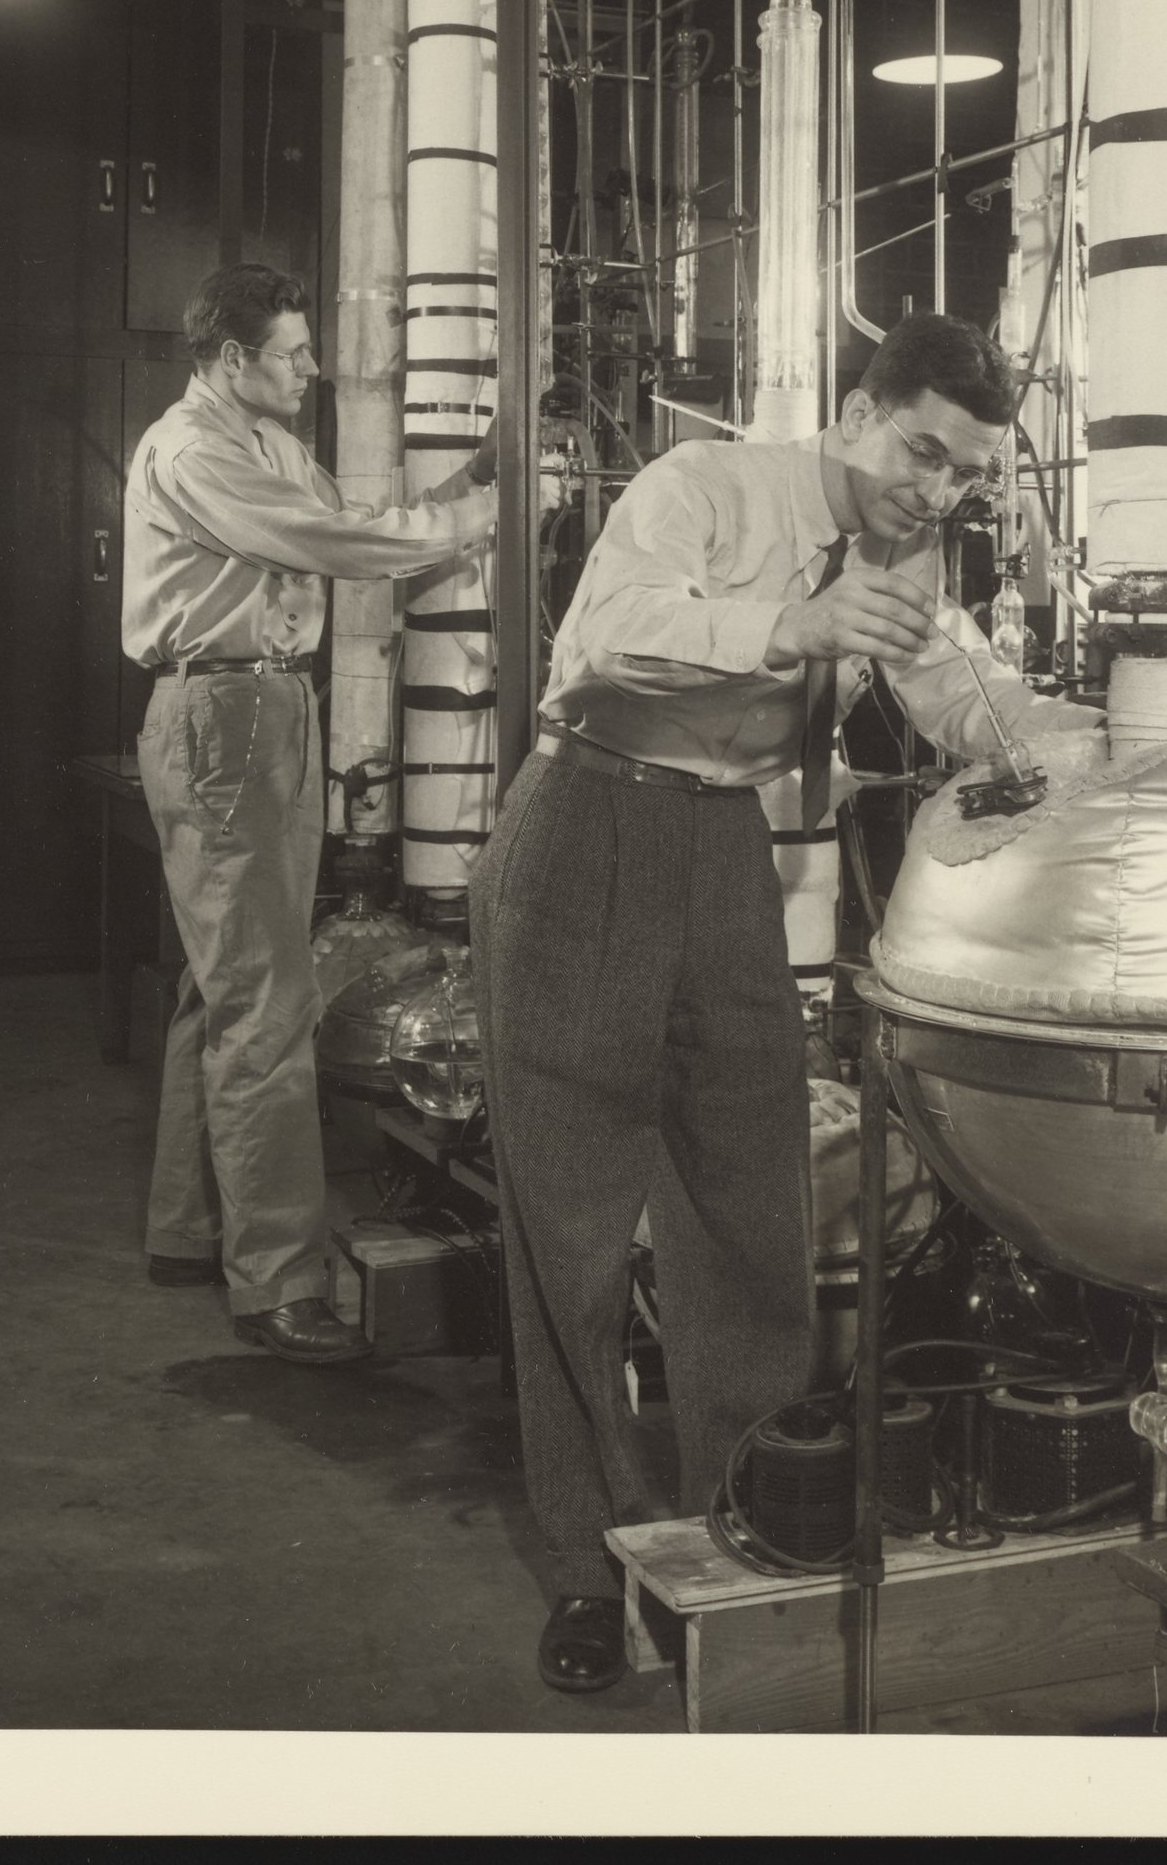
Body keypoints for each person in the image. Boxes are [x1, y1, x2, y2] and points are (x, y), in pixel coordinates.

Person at [469, 310, 1101, 1691]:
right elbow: (609, 633)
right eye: (922, 453)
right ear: (859, 413)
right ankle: (587, 1562)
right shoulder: (703, 486)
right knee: (571, 1228)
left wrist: (1123, 747)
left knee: (750, 1201)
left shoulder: (905, 557)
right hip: (584, 825)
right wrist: (791, 624)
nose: (937, 491)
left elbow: (968, 696)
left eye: (966, 474)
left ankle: (741, 1522)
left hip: (722, 851)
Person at [123, 265, 496, 1365]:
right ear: (231, 358)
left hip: (275, 704)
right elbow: (338, 547)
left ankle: (188, 1227)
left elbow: (355, 517)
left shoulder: (270, 444)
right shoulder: (193, 451)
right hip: (223, 713)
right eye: (291, 352)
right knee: (266, 1002)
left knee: (222, 985)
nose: (311, 367)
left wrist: (479, 472)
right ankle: (278, 1283)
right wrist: (481, 518)